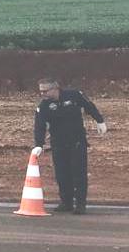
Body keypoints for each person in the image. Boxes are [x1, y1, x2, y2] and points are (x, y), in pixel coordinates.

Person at [32, 78, 107, 214]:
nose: (42, 94)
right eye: (40, 91)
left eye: (45, 91)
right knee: (62, 174)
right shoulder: (43, 106)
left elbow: (89, 106)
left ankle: (80, 204)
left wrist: (99, 120)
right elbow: (39, 126)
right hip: (58, 143)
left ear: (55, 88)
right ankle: (66, 202)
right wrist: (39, 144)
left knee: (78, 173)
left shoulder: (74, 95)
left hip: (77, 142)